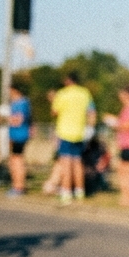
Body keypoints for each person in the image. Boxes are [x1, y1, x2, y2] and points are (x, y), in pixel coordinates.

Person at [50, 73, 94, 204]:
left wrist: (52, 100)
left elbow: (54, 112)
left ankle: (66, 192)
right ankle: (80, 191)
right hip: (80, 132)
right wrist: (90, 128)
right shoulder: (85, 93)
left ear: (67, 81)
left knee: (66, 163)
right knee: (77, 162)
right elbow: (91, 111)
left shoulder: (62, 94)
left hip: (65, 132)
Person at [105, 85, 129, 208]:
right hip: (125, 143)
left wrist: (115, 123)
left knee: (128, 170)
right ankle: (126, 196)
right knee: (123, 169)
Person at [6, 84, 32, 196]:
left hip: (19, 135)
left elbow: (19, 120)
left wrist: (5, 119)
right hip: (16, 135)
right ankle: (16, 185)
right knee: (14, 159)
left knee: (17, 160)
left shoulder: (21, 103)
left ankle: (19, 186)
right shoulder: (21, 102)